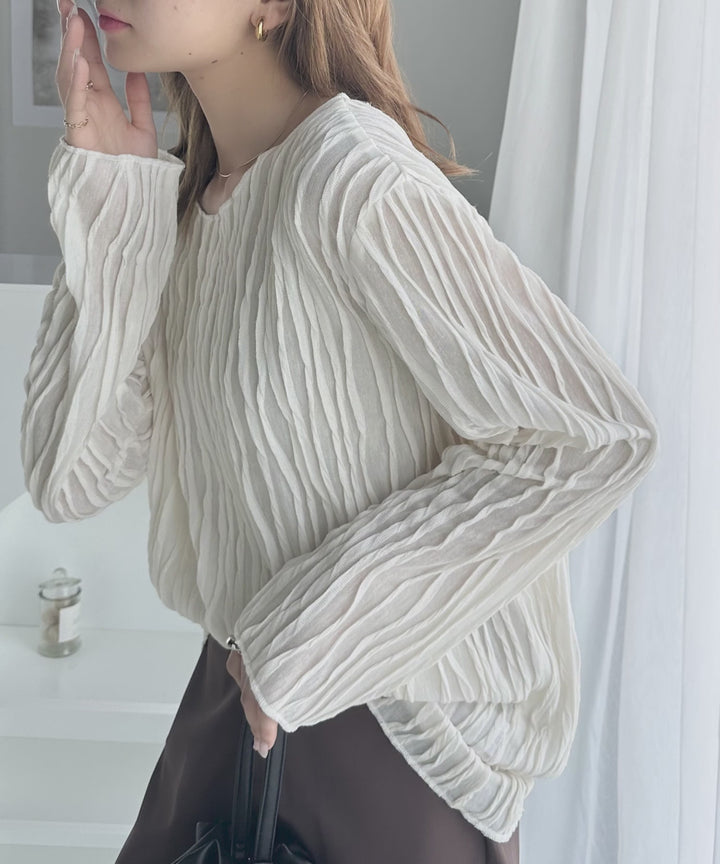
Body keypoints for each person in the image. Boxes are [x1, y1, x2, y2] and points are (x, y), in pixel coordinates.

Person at [20, 0, 660, 861]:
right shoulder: (182, 206)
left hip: (385, 735)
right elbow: (70, 478)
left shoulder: (348, 173)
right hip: (234, 708)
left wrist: (311, 634)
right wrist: (111, 204)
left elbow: (590, 437)